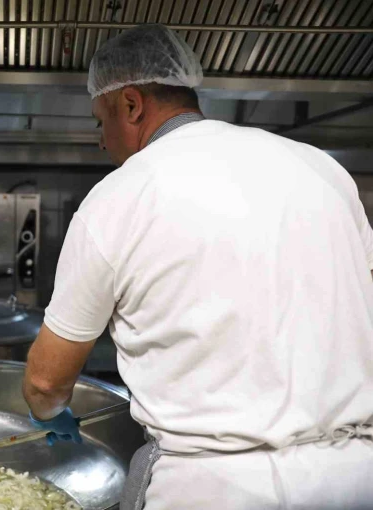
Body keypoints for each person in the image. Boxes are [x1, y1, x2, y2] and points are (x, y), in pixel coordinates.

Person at [23, 24, 373, 510]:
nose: (101, 140)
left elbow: (45, 380)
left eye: (100, 120)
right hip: (355, 477)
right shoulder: (323, 170)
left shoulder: (120, 195)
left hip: (213, 489)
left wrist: (47, 412)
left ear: (131, 104)